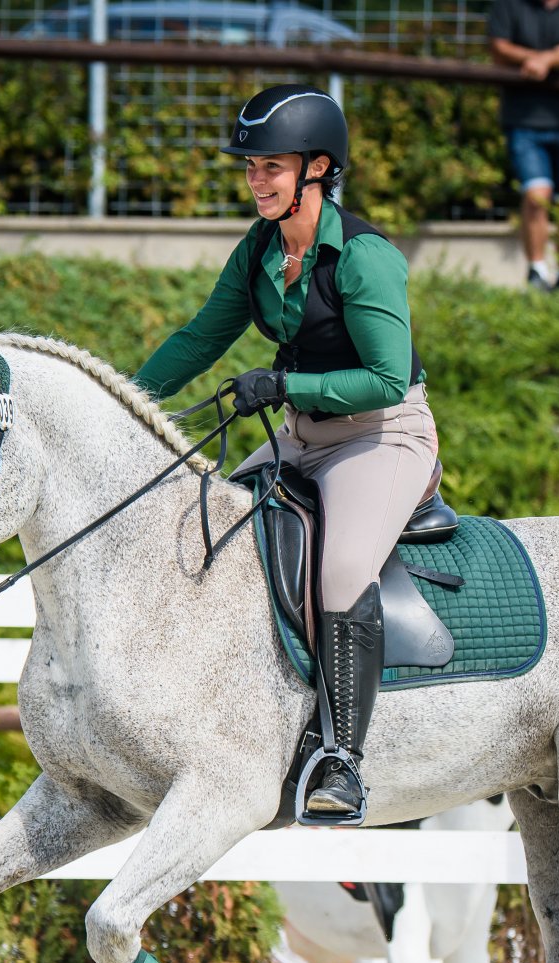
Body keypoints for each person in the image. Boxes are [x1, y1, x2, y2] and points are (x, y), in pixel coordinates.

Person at [132, 85, 438, 819]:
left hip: (382, 433)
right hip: (300, 434)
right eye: (250, 168)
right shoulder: (260, 248)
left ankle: (341, 760)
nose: (257, 181)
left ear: (318, 168)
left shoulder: (365, 258)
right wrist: (123, 402)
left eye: (271, 166)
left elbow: (384, 378)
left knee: (338, 571)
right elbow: (202, 339)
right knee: (201, 532)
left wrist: (284, 380)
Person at [487, 0, 559, 291]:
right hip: (522, 119)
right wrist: (556, 56)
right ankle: (537, 273)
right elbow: (499, 49)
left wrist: (546, 60)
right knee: (537, 195)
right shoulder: (509, 4)